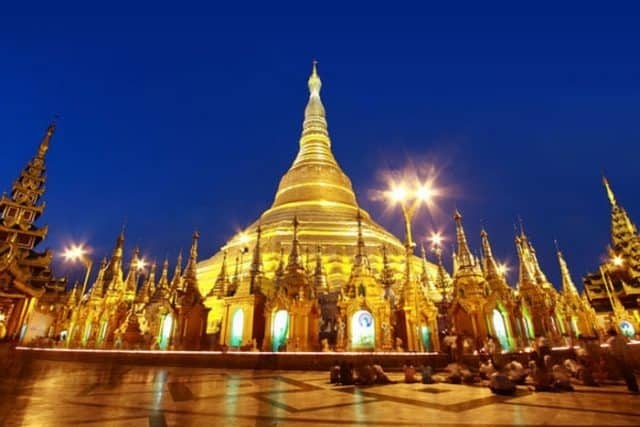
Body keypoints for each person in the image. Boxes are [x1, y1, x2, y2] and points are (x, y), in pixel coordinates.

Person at [606, 328, 639, 393]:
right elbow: (626, 348)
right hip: (625, 357)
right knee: (629, 373)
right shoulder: (621, 338)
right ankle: (633, 387)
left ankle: (632, 387)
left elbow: (613, 351)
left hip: (620, 358)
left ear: (610, 334)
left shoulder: (612, 340)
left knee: (626, 373)